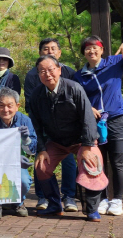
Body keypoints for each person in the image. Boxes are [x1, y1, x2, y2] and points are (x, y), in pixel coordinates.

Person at [29, 55, 108, 222]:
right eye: (42, 71)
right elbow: (35, 125)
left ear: (59, 70)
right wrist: (41, 149)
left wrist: (87, 146)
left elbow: (88, 118)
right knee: (41, 167)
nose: (47, 74)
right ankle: (54, 205)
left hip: (81, 140)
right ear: (38, 75)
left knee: (92, 163)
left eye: (51, 69)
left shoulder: (74, 88)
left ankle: (92, 209)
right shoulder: (36, 95)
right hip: (56, 141)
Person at [74, 36, 123, 217]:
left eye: (95, 47)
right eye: (87, 48)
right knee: (99, 163)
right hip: (94, 122)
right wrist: (88, 108)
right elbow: (75, 98)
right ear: (84, 52)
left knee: (117, 162)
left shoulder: (114, 62)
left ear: (102, 49)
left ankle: (117, 200)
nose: (92, 51)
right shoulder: (78, 76)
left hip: (116, 119)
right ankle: (103, 199)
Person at [23, 38, 78, 213]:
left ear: (59, 53)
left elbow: (78, 98)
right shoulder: (32, 75)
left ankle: (69, 196)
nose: (49, 51)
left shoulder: (69, 71)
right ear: (40, 53)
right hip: (42, 124)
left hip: (66, 128)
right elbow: (31, 103)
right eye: (45, 49)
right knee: (42, 159)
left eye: (53, 48)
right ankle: (43, 197)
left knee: (69, 160)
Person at [0, 87, 37, 219]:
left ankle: (18, 202)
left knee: (24, 180)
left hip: (18, 163)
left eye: (9, 106)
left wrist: (26, 140)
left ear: (17, 106)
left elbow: (32, 151)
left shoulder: (25, 121)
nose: (5, 110)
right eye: (1, 106)